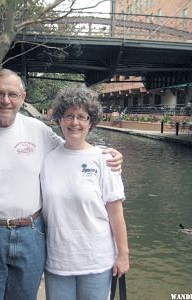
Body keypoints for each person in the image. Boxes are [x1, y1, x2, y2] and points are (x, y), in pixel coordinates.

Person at [0, 69, 123, 300]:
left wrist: (105, 154)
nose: (6, 100)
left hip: (31, 233)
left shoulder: (37, 130)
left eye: (12, 94)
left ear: (23, 97)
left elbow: (74, 148)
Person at [40, 86, 129, 300]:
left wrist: (123, 255)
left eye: (82, 116)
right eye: (69, 116)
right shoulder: (47, 159)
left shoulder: (104, 159)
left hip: (96, 260)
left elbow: (116, 213)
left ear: (91, 121)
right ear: (59, 119)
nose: (74, 122)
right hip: (57, 261)